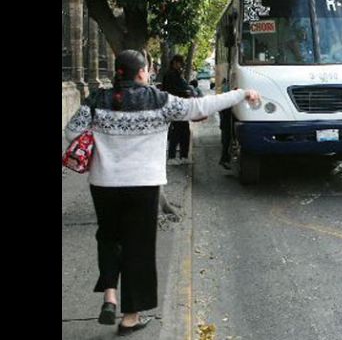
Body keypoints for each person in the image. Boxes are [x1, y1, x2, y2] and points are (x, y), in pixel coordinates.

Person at [64, 50, 260, 335]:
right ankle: (130, 317)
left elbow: (71, 133)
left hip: (104, 184)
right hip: (143, 185)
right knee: (138, 247)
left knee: (108, 237)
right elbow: (200, 106)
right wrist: (241, 94)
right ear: (142, 72)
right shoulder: (160, 101)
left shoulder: (97, 99)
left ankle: (110, 296)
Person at [163, 55, 192, 164]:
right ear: (175, 62)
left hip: (179, 106)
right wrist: (185, 92)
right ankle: (173, 156)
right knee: (178, 132)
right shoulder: (171, 75)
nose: (181, 66)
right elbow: (171, 90)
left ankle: (182, 156)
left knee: (182, 131)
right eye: (180, 63)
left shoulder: (176, 74)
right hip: (176, 106)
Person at [219, 78, 233, 169]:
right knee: (227, 140)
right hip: (226, 120)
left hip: (225, 121)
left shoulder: (224, 89)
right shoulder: (227, 89)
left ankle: (225, 159)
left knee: (226, 141)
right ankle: (224, 159)